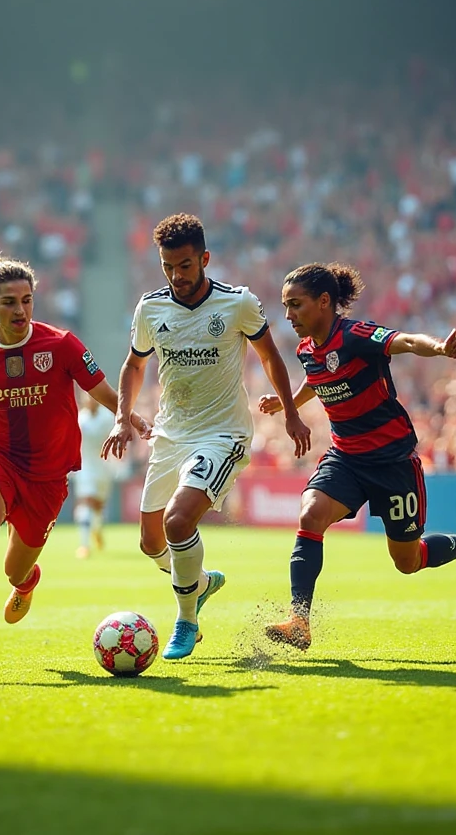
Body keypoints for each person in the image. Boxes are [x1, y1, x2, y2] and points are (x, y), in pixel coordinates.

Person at [0, 253, 148, 679]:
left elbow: (103, 389)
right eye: (9, 302)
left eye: (26, 300)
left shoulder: (61, 344)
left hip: (48, 477)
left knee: (13, 568)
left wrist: (128, 417)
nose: (20, 310)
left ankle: (26, 581)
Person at [259, 262, 456, 651]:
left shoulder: (356, 335)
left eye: (296, 305)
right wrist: (287, 402)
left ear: (325, 302)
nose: (288, 315)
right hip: (345, 457)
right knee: (310, 513)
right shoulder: (307, 348)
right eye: (285, 305)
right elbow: (318, 375)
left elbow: (405, 341)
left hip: (392, 461)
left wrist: (440, 348)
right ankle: (299, 620)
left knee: (407, 561)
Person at [102, 213, 310, 661]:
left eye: (185, 265)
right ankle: (198, 584)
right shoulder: (151, 308)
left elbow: (271, 356)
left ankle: (187, 622)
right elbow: (134, 365)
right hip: (171, 431)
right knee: (151, 543)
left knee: (178, 523)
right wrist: (123, 416)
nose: (177, 276)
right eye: (168, 267)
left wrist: (291, 413)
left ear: (204, 259)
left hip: (223, 433)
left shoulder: (237, 303)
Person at [72, 393, 118, 558]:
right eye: (87, 397)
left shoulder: (107, 418)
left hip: (103, 467)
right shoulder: (80, 419)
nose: (90, 400)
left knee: (97, 505)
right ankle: (84, 545)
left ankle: (96, 530)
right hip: (85, 468)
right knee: (86, 501)